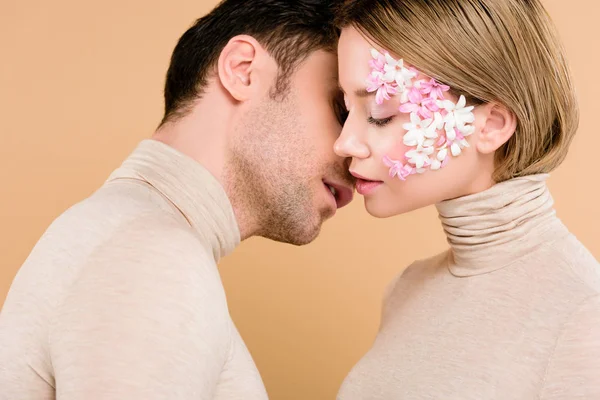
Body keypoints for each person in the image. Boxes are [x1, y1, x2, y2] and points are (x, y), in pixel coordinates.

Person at [0, 0, 354, 398]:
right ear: (243, 70)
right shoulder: (149, 255)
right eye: (342, 110)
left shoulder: (126, 236)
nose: (357, 151)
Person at [333, 0, 599, 398]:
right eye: (344, 108)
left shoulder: (584, 316)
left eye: (379, 112)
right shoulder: (408, 288)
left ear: (491, 125)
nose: (344, 142)